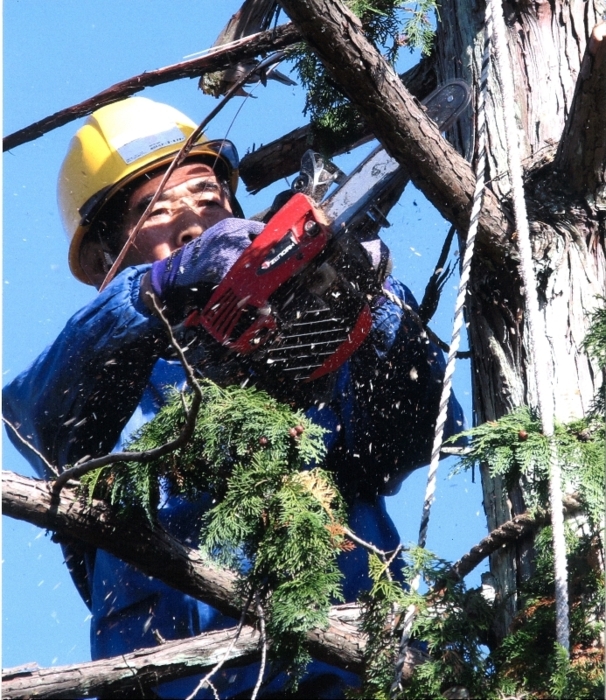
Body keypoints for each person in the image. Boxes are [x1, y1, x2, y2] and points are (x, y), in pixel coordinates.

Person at [3, 96, 465, 698]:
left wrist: (368, 307)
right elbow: (35, 413)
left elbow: (426, 427)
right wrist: (159, 288)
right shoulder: (99, 375)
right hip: (183, 680)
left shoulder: (295, 348)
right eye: (159, 210)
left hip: (353, 667)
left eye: (208, 199)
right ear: (102, 257)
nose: (194, 221)